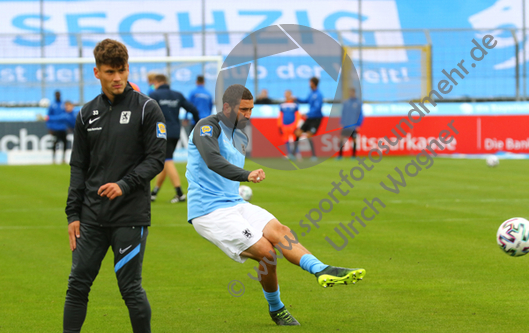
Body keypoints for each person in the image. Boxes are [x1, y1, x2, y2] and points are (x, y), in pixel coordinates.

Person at [186, 84, 365, 326]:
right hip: (209, 211)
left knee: (281, 231)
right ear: (226, 107)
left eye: (251, 109)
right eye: (243, 109)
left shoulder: (240, 133)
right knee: (267, 252)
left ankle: (322, 269)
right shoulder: (207, 126)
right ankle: (277, 308)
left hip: (234, 203)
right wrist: (246, 175)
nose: (248, 115)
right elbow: (212, 160)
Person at [64, 39, 166, 333]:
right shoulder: (86, 113)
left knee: (130, 288)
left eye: (121, 70)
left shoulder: (147, 108)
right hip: (92, 217)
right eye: (110, 72)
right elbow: (78, 167)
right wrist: (73, 214)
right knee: (77, 285)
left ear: (128, 68)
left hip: (129, 216)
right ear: (97, 73)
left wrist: (125, 184)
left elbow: (156, 159)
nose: (117, 77)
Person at [149, 74, 199, 203]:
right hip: (175, 132)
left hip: (161, 132)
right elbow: (193, 109)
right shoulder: (177, 95)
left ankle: (180, 193)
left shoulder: (154, 95)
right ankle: (154, 193)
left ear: (157, 82)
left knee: (167, 160)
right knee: (166, 161)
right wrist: (196, 123)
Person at [293, 77, 323, 161]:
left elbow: (317, 108)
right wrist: (297, 99)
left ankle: (314, 155)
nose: (309, 84)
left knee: (309, 135)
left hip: (316, 118)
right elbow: (306, 100)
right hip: (309, 117)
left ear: (313, 83)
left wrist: (307, 113)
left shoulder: (319, 94)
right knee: (298, 133)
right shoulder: (311, 93)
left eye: (310, 82)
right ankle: (292, 154)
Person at [338, 88, 364, 159]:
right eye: (350, 92)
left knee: (354, 139)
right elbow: (343, 113)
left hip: (354, 126)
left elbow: (360, 114)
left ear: (354, 93)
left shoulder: (358, 103)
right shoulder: (346, 103)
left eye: (352, 92)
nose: (351, 94)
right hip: (346, 125)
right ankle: (340, 155)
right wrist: (341, 122)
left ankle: (353, 156)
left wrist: (359, 125)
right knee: (341, 139)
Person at [277, 90, 301, 158]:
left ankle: (297, 153)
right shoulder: (282, 105)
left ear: (290, 94)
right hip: (285, 125)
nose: (286, 95)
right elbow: (280, 116)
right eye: (285, 94)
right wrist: (279, 126)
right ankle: (289, 154)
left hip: (292, 125)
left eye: (287, 94)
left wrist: (296, 125)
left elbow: (298, 115)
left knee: (294, 140)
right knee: (286, 140)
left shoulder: (295, 104)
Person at [46, 90, 68, 164]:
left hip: (63, 127)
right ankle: (54, 159)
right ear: (55, 95)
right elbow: (48, 116)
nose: (58, 96)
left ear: (60, 95)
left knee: (64, 143)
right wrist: (49, 127)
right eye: (56, 95)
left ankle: (63, 158)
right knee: (55, 144)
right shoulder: (52, 105)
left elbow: (66, 115)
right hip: (55, 128)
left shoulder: (63, 104)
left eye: (59, 95)